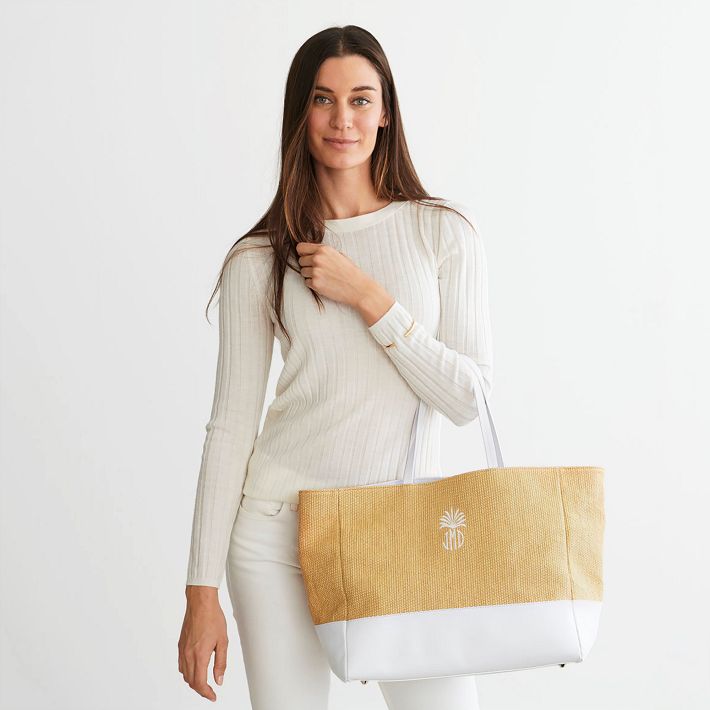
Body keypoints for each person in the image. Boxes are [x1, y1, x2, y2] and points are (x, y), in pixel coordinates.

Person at [177, 24, 493, 710]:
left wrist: (369, 298)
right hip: (277, 535)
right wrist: (201, 591)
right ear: (301, 112)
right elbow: (230, 427)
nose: (342, 119)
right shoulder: (259, 258)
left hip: (400, 532)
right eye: (323, 99)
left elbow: (467, 398)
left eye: (360, 99)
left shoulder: (441, 232)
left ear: (386, 112)